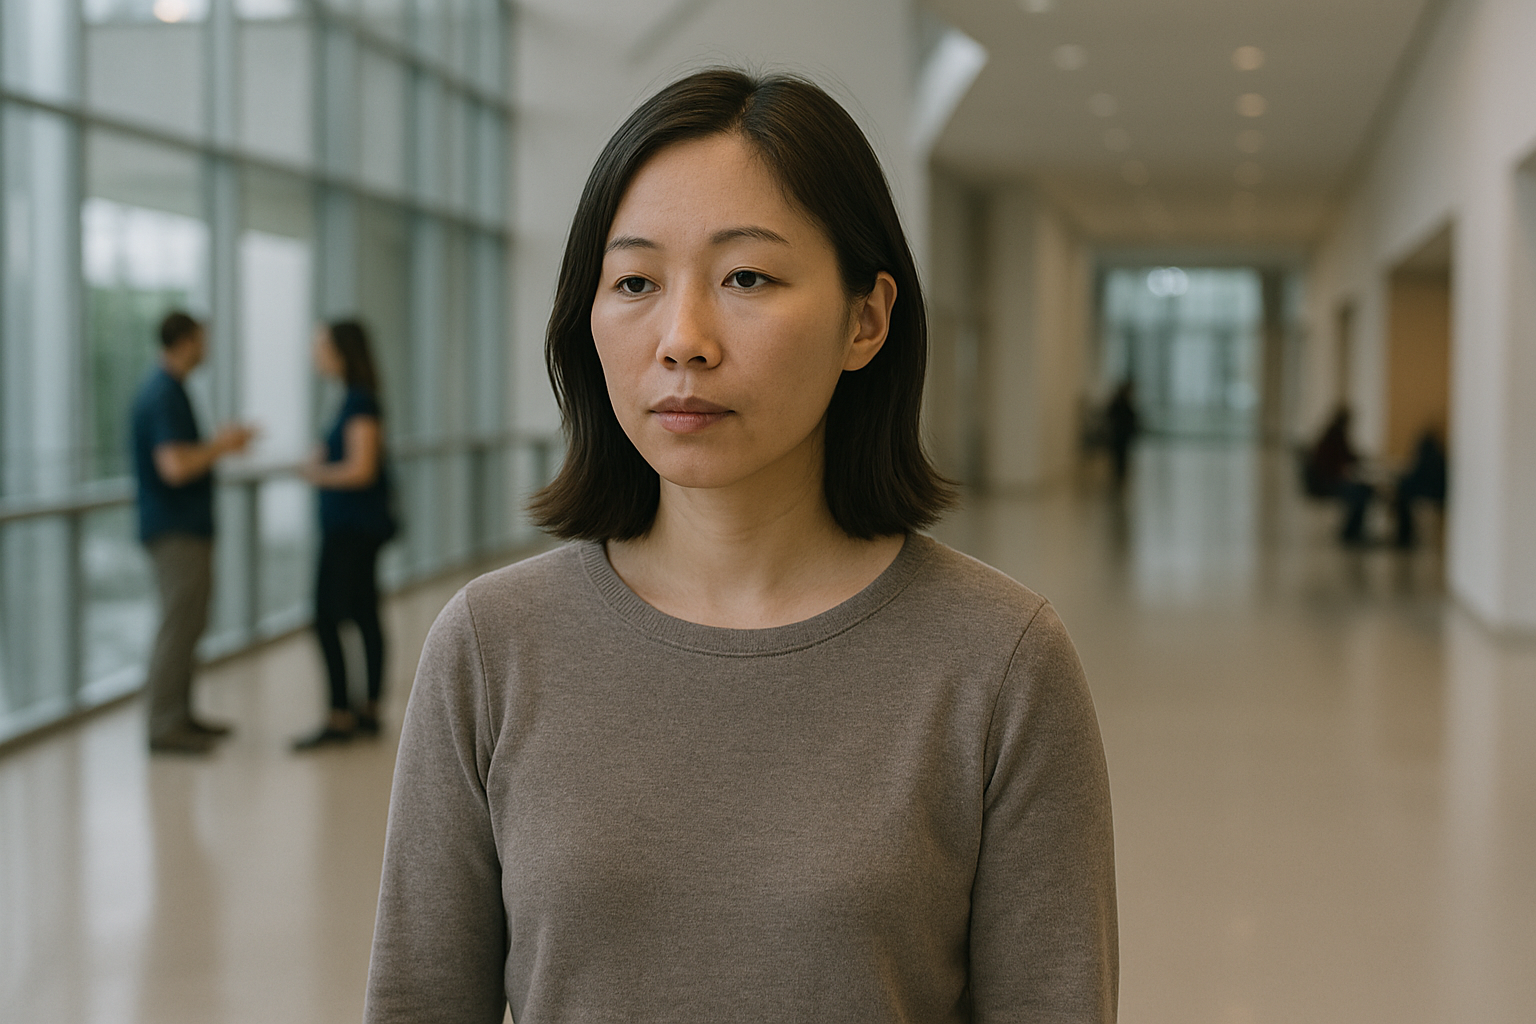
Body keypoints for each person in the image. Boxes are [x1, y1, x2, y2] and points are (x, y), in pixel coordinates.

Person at [364, 69, 1117, 1024]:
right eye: (635, 282)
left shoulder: (999, 661)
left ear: (865, 320)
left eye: (747, 278)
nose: (683, 340)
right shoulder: (490, 644)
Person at [131, 311, 256, 754]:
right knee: (178, 623)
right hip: (175, 530)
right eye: (202, 340)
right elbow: (175, 466)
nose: (207, 348)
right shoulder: (163, 393)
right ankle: (164, 723)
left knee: (189, 622)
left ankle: (180, 715)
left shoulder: (173, 390)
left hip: (184, 527)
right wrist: (222, 445)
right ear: (184, 342)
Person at [293, 320, 395, 750]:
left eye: (321, 346)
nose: (315, 354)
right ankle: (367, 709)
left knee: (327, 617)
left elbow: (361, 469)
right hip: (355, 527)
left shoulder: (359, 402)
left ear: (340, 352)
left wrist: (316, 474)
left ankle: (341, 715)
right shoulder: (352, 400)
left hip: (351, 530)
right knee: (363, 611)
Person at [1304, 405, 1374, 544]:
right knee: (1361, 493)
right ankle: (1351, 532)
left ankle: (1353, 530)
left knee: (1363, 490)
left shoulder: (1333, 434)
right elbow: (1339, 460)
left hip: (1329, 479)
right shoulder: (1335, 436)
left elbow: (1346, 457)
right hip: (1328, 482)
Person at [1392, 427, 1447, 549]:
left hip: (1428, 495)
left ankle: (1404, 538)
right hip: (1433, 494)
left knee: (1401, 496)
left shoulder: (1427, 457)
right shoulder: (1437, 456)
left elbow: (1416, 478)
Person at [1104, 379, 1140, 489]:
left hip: (1123, 435)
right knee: (1118, 457)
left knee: (1121, 457)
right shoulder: (1119, 403)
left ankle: (1120, 476)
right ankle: (1118, 476)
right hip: (1119, 434)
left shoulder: (1124, 403)